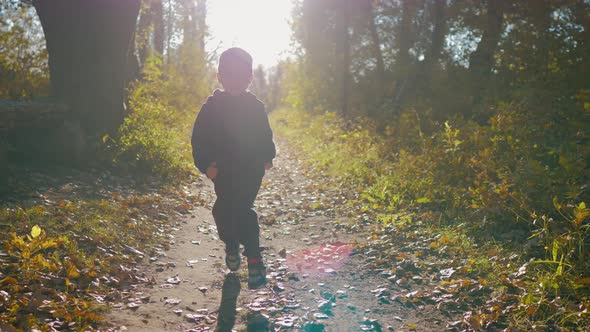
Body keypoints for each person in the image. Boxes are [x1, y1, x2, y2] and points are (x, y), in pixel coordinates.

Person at [191, 47, 275, 289]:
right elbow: (199, 139)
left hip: (250, 170)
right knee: (222, 211)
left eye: (241, 75)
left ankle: (255, 261)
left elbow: (264, 135)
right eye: (230, 74)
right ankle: (231, 243)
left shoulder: (255, 107)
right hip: (224, 171)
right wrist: (206, 165)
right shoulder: (212, 107)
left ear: (249, 78)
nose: (235, 80)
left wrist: (267, 156)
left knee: (243, 209)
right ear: (220, 77)